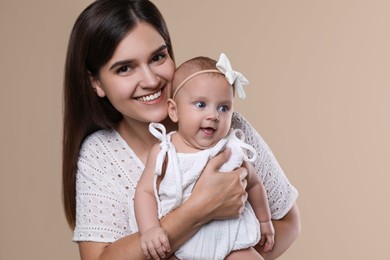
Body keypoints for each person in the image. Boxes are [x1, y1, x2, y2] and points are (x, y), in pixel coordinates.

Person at [62, 0, 300, 259]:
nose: (151, 80)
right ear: (96, 82)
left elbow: (287, 222)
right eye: (125, 68)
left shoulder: (228, 129)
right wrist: (198, 209)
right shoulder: (100, 155)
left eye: (157, 57)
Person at [135, 54, 275, 260]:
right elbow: (145, 191)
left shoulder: (230, 149)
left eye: (223, 108)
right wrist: (149, 229)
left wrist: (264, 221)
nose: (213, 115)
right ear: (174, 111)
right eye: (201, 105)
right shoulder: (166, 151)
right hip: (180, 242)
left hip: (231, 243)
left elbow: (254, 184)